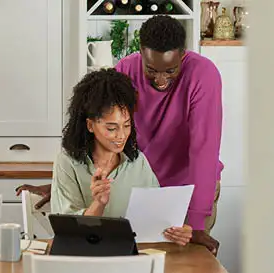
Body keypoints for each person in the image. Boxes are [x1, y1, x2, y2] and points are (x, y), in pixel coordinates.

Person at [17, 15, 223, 254]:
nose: (161, 79)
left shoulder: (204, 75)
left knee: (185, 262)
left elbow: (203, 149)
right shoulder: (125, 70)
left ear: (183, 55)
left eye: (171, 70)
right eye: (152, 69)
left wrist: (195, 222)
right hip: (138, 186)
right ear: (141, 53)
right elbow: (101, 126)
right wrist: (67, 182)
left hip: (188, 190)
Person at [50, 68, 193, 246]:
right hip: (84, 261)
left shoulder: (137, 162)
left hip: (130, 260)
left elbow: (156, 219)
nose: (121, 135)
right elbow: (69, 234)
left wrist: (176, 231)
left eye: (126, 125)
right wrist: (98, 204)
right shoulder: (67, 163)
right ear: (90, 125)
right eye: (111, 128)